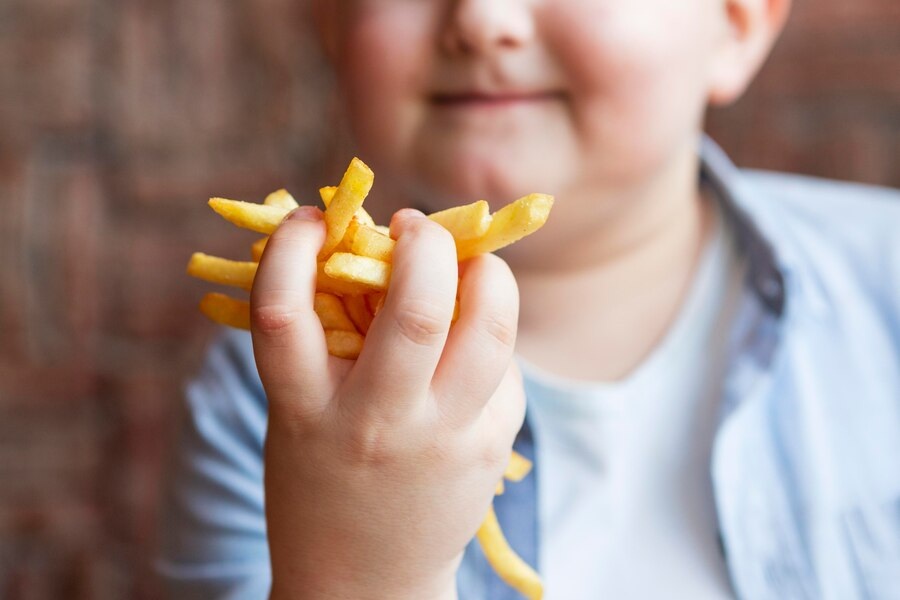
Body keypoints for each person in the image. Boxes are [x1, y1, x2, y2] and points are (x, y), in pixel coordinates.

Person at [156, 0, 900, 598]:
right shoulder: (262, 397)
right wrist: (360, 574)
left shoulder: (884, 279)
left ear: (736, 24)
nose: (483, 17)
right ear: (330, 21)